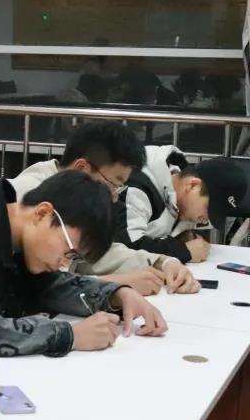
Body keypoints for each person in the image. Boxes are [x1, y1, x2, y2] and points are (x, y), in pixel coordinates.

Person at [0, 170, 168, 360]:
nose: (64, 263)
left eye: (74, 258)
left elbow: (44, 287)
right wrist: (69, 335)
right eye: (68, 251)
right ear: (43, 213)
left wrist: (116, 296)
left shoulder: (12, 231)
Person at [11, 121, 199, 295]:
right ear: (82, 169)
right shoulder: (26, 196)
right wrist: (114, 284)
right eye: (114, 184)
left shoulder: (75, 200)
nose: (115, 197)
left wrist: (164, 262)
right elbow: (30, 288)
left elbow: (99, 256)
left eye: (120, 187)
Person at [122, 146, 248, 265]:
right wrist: (182, 251)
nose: (205, 220)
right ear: (192, 185)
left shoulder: (175, 194)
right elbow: (125, 247)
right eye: (207, 208)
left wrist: (178, 236)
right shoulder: (137, 187)